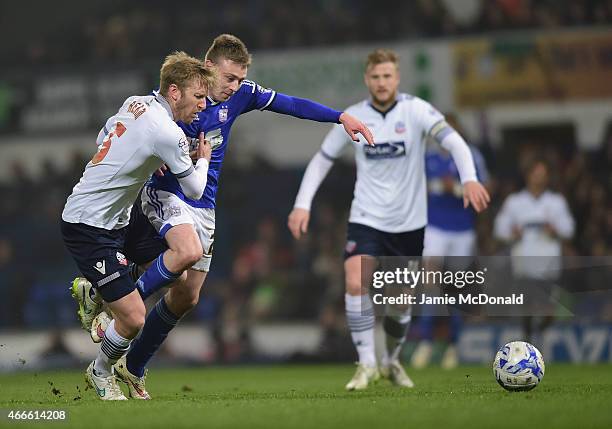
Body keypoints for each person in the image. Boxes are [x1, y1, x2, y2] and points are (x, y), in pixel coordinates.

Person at [71, 34, 374, 399]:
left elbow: (290, 104)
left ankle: (133, 367)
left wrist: (339, 117)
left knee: (187, 297)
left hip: (204, 202)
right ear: (209, 67)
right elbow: (136, 127)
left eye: (240, 79)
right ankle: (115, 309)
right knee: (186, 251)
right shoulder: (175, 100)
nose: (235, 86)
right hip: (167, 193)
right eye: (229, 78)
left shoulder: (242, 95)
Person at [288, 49, 489, 391]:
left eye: (387, 76)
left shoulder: (416, 110)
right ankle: (365, 364)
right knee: (355, 281)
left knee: (399, 303)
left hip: (408, 223)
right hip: (366, 217)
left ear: (397, 79)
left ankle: (392, 360)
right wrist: (302, 204)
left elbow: (453, 141)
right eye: (375, 77)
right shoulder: (353, 117)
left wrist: (468, 177)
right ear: (367, 80)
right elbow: (322, 160)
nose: (381, 83)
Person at [62, 51, 215, 400]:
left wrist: (145, 157)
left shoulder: (136, 102)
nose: (203, 104)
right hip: (88, 224)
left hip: (121, 218)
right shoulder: (169, 132)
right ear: (174, 93)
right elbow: (194, 189)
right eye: (197, 96)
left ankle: (96, 291)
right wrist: (202, 159)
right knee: (133, 318)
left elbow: (104, 135)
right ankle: (100, 372)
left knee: (177, 273)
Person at [411, 121, 489, 370]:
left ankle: (453, 346)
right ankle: (426, 341)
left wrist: (454, 188)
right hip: (434, 228)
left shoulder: (471, 156)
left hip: (463, 231)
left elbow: (486, 189)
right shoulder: (427, 158)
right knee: (431, 283)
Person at [494, 159, 574, 343]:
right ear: (528, 176)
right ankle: (528, 342)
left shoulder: (556, 202)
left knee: (549, 311)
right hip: (524, 262)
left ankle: (535, 335)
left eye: (542, 175)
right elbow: (500, 229)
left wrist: (556, 230)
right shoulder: (515, 202)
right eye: (536, 174)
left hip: (548, 264)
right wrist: (511, 233)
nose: (539, 179)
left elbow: (569, 229)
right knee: (528, 306)